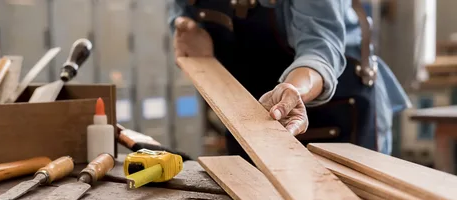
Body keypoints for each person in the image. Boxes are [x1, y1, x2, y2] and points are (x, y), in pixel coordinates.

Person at [168, 0, 411, 161]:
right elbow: (179, 7)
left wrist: (293, 90)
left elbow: (320, 48)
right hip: (254, 110)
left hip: (335, 107)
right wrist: (183, 25)